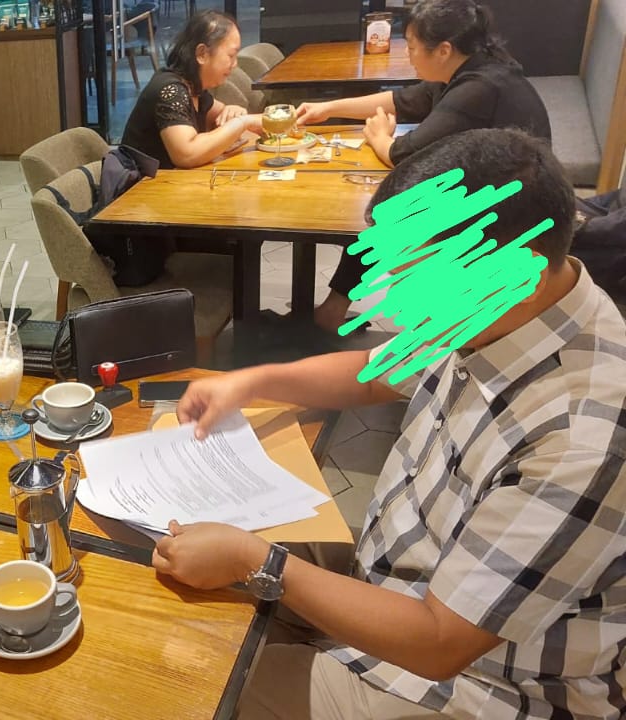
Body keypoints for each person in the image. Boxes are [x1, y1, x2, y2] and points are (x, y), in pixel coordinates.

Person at [154, 128, 626, 720]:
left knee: (190, 680)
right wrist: (249, 382)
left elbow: (439, 643)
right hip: (394, 578)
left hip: (483, 685)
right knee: (178, 565)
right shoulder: (496, 308)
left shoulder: (583, 434)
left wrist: (259, 561)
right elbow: (377, 373)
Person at [296, 0, 552, 333]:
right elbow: (402, 101)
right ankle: (333, 310)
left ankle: (438, 322)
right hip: (501, 187)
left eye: (412, 47)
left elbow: (405, 154)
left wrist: (379, 137)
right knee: (382, 209)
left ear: (443, 50)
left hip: (513, 209)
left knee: (389, 214)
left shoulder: (478, 88)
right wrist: (329, 109)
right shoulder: (468, 68)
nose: (408, 55)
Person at [120, 9, 263, 170]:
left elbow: (222, 115)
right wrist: (242, 122)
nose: (235, 64)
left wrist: (233, 112)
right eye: (231, 56)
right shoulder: (171, 90)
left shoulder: (194, 88)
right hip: (140, 184)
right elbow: (187, 154)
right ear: (202, 54)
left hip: (171, 182)